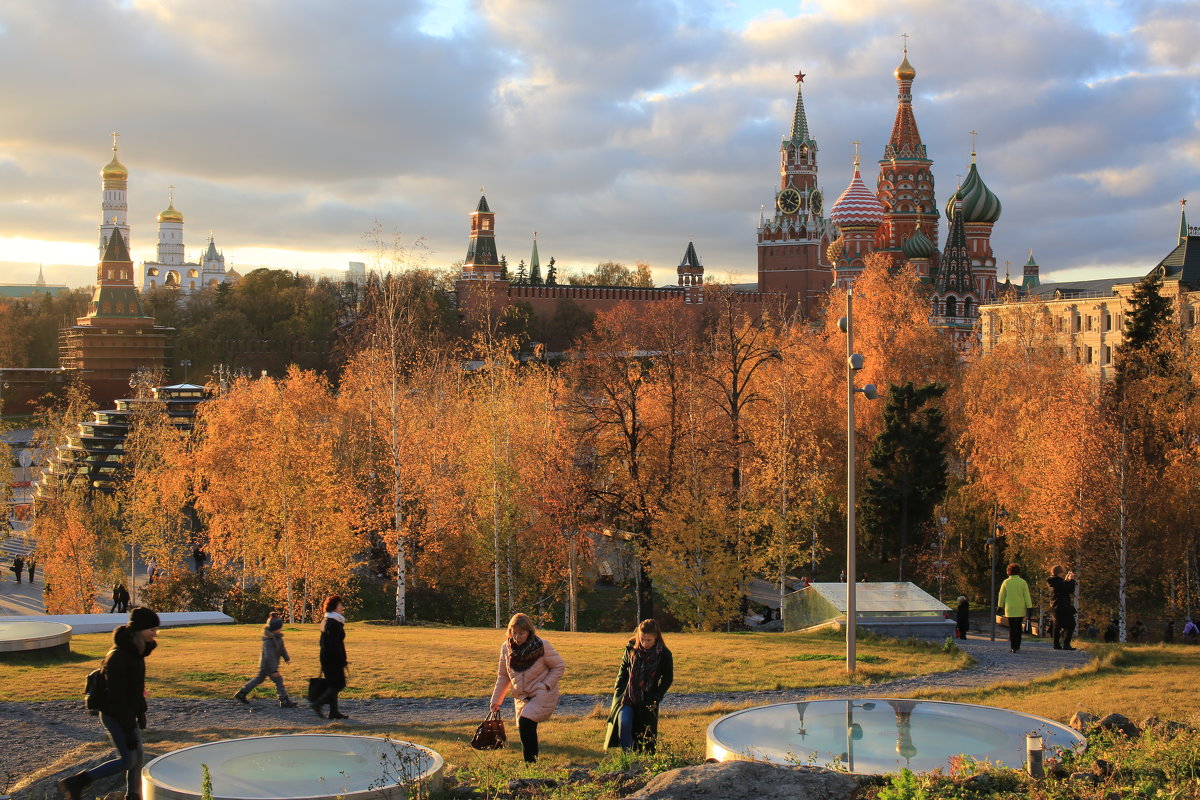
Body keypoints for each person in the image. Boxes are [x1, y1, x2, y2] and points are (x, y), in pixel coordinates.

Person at [57, 606, 160, 800]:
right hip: (114, 715)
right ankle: (78, 781)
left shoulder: (137, 653)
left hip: (126, 713)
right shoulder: (119, 657)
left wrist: (141, 713)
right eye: (151, 630)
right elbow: (117, 697)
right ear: (139, 629)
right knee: (128, 760)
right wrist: (129, 728)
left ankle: (133, 795)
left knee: (138, 759)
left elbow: (134, 690)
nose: (155, 634)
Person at [489, 613, 565, 764]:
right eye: (514, 632)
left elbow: (559, 666)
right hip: (522, 697)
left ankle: (530, 764)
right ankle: (532, 765)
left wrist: (545, 685)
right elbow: (503, 676)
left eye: (521, 633)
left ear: (529, 632)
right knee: (526, 729)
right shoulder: (506, 648)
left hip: (542, 693)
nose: (517, 637)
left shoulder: (541, 645)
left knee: (526, 722)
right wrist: (496, 700)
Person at [604, 619, 674, 754]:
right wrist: (619, 689)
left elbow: (667, 679)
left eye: (649, 640)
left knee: (647, 731)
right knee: (624, 723)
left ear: (656, 637)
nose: (645, 643)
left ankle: (646, 759)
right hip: (627, 696)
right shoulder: (631, 648)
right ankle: (627, 756)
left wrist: (657, 696)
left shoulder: (664, 654)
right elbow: (623, 670)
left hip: (648, 698)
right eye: (642, 639)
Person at [235, 612, 298, 708]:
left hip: (267, 665)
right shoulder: (268, 641)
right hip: (267, 665)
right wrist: (274, 670)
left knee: (258, 679)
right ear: (275, 629)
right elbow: (270, 656)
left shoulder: (278, 638)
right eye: (279, 628)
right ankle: (284, 700)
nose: (281, 629)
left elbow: (282, 649)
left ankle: (242, 693)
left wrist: (286, 658)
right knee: (278, 680)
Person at [312, 595, 349, 720]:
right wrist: (341, 660)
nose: (342, 608)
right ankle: (318, 703)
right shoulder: (333, 623)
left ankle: (334, 712)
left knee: (333, 684)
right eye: (340, 605)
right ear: (334, 607)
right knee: (339, 684)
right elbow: (334, 645)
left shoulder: (327, 620)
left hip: (327, 657)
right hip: (332, 658)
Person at [997, 563, 1033, 653]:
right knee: (1018, 627)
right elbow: (1027, 596)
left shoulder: (1006, 582)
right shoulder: (1023, 582)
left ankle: (1013, 647)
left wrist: (1000, 606)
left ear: (1008, 572)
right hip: (1021, 607)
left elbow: (1001, 595)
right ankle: (1018, 645)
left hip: (1010, 608)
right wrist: (1030, 607)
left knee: (1012, 628)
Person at [1046, 565, 1077, 650]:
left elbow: (1062, 587)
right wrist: (1072, 580)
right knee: (1071, 624)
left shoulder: (1053, 581)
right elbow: (1070, 589)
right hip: (1063, 605)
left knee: (1057, 625)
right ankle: (1066, 644)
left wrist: (1066, 580)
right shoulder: (1058, 582)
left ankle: (1056, 644)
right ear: (1060, 572)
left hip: (1055, 605)